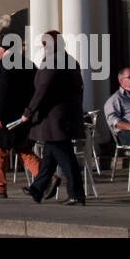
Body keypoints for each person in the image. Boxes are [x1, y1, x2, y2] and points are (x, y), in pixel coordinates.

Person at [20, 31, 85, 205]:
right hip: (66, 115)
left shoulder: (53, 62)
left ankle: (76, 194)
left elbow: (42, 88)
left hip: (54, 118)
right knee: (49, 154)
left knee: (65, 157)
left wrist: (28, 111)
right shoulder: (71, 60)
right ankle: (38, 188)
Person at [0, 39, 40, 198]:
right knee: (22, 149)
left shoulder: (6, 64)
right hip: (22, 116)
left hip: (6, 118)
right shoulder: (27, 64)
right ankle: (46, 177)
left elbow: (3, 91)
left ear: (3, 48)